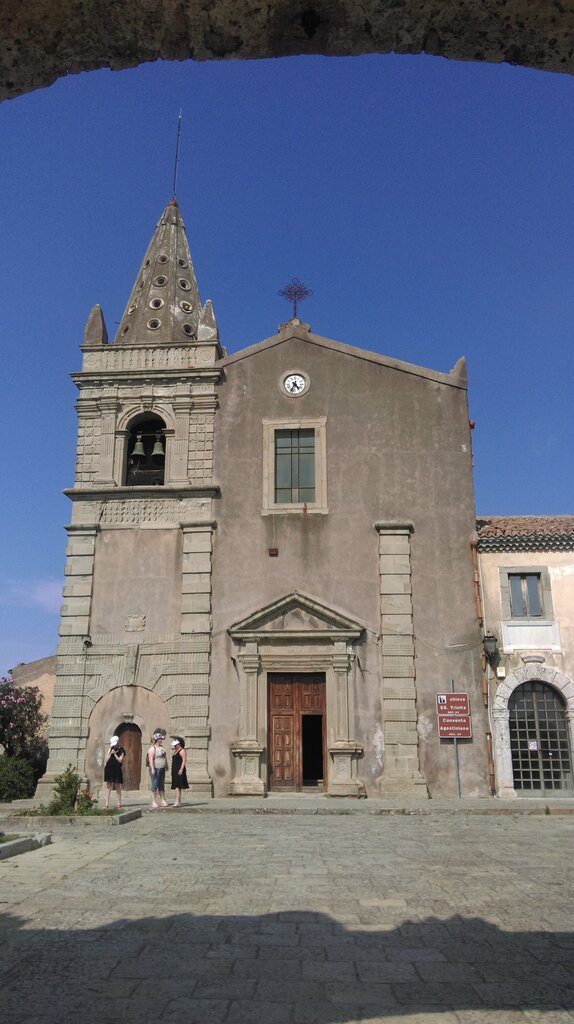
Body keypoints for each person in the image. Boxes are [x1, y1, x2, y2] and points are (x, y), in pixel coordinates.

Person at [147, 730, 168, 809]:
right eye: (160, 739)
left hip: (162, 768)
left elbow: (164, 757)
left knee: (161, 784)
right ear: (156, 739)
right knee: (155, 784)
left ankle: (163, 800)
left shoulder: (162, 748)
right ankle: (154, 801)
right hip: (155, 768)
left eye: (161, 739)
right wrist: (152, 769)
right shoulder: (152, 749)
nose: (161, 740)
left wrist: (166, 765)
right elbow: (150, 759)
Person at [103, 735, 125, 809]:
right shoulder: (110, 749)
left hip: (117, 769)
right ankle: (106, 804)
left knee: (117, 786)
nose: (113, 746)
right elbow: (106, 759)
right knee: (108, 786)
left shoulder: (121, 750)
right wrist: (110, 753)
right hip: (109, 768)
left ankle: (118, 803)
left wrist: (114, 754)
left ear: (117, 743)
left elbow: (120, 760)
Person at [170, 737, 189, 807]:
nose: (174, 746)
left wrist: (181, 769)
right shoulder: (176, 751)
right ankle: (178, 802)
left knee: (178, 786)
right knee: (177, 786)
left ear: (179, 744)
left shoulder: (182, 751)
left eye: (176, 745)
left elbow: (184, 761)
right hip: (175, 770)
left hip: (179, 770)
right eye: (174, 745)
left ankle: (177, 801)